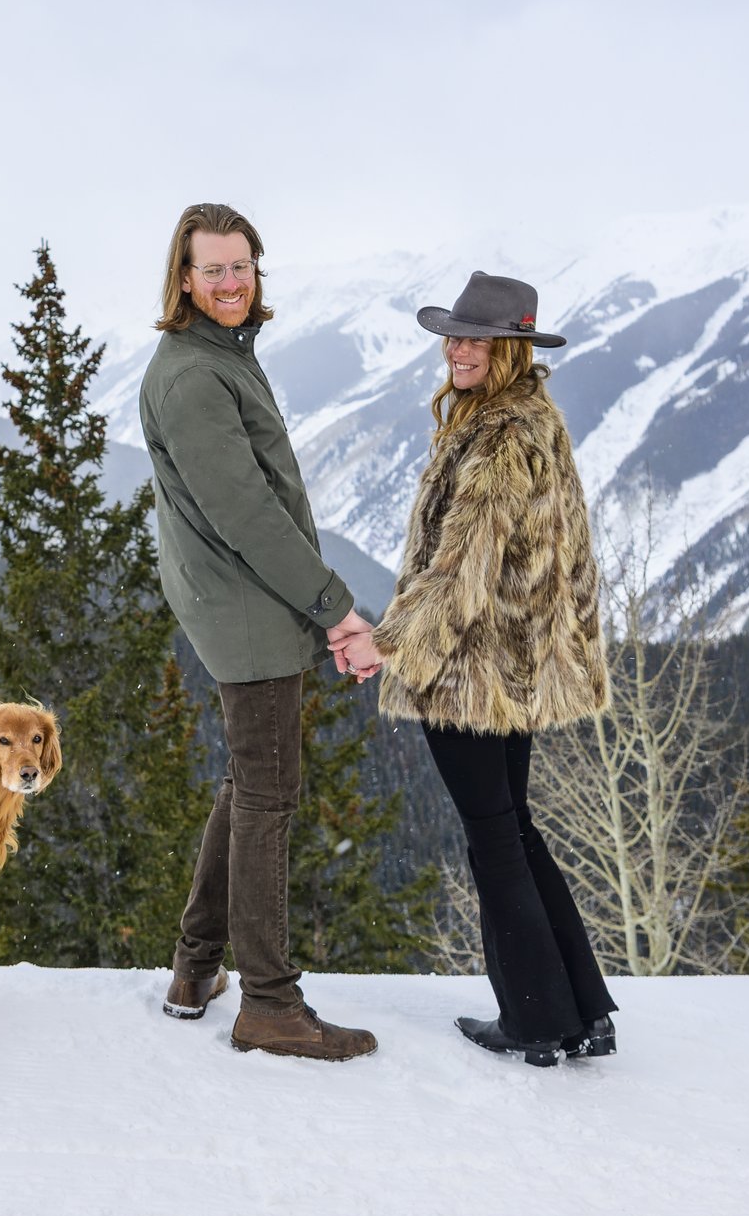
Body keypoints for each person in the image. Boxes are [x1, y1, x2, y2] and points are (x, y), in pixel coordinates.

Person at [334, 271, 619, 1068]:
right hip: (517, 662)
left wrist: (385, 643)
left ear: (511, 348)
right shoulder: (531, 418)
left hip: (469, 666)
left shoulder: (497, 434)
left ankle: (535, 1019)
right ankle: (582, 1008)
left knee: (495, 837)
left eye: (475, 338)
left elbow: (462, 570)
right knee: (515, 830)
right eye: (454, 336)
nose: (457, 350)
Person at [139, 202, 379, 1061]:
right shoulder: (196, 376)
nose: (231, 283)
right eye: (213, 270)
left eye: (241, 267)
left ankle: (195, 965)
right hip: (246, 606)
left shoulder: (215, 356)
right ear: (184, 277)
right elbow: (247, 513)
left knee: (248, 784)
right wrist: (335, 607)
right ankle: (270, 1003)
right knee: (269, 796)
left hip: (243, 600)